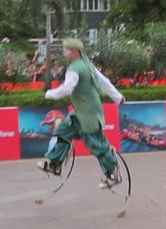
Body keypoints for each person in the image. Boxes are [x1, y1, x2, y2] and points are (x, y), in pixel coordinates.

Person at [38, 38, 126, 188]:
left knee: (97, 145)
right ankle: (55, 164)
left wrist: (48, 94)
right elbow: (104, 81)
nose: (64, 52)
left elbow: (67, 89)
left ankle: (113, 174)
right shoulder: (87, 65)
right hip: (79, 114)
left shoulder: (75, 68)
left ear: (74, 51)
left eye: (65, 50)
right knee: (63, 132)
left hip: (88, 115)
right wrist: (118, 97)